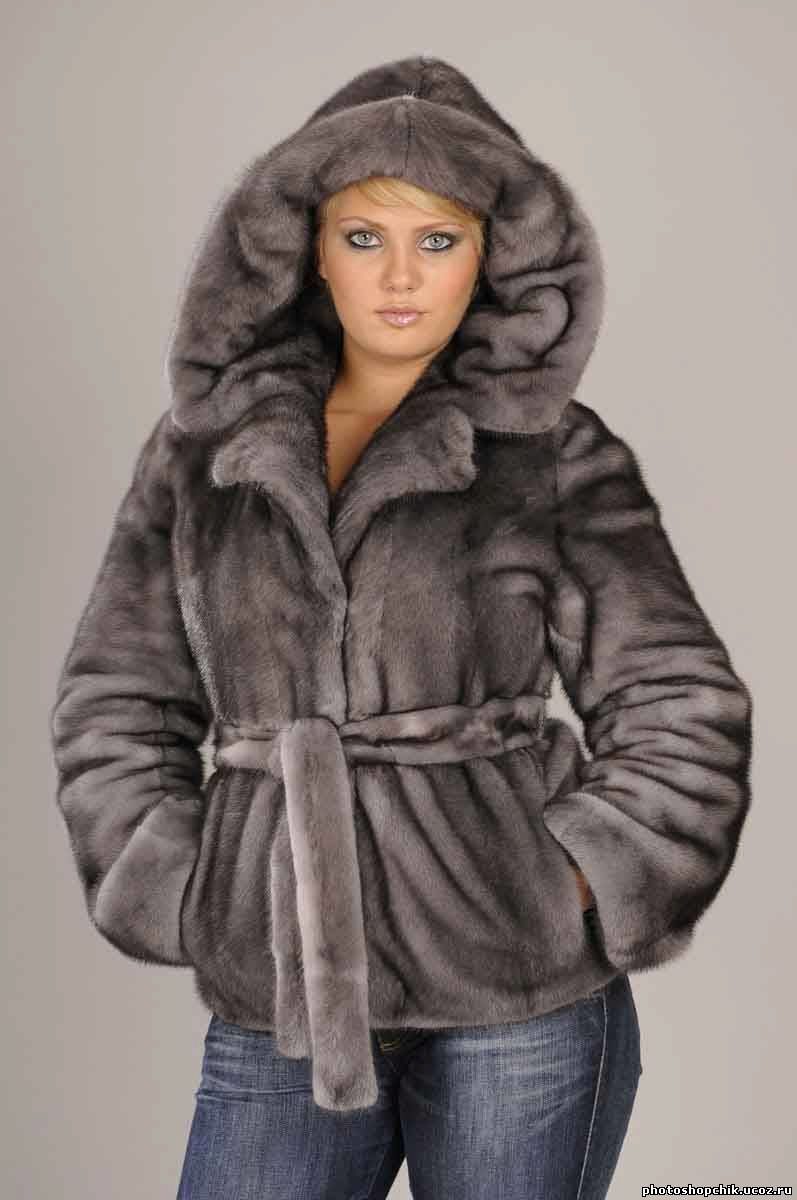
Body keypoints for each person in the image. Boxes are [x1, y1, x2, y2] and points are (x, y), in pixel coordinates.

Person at [49, 55, 753, 1199]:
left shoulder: (551, 452)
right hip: (279, 991)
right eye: (362, 236)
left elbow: (673, 695)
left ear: (491, 255)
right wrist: (185, 885)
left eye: (437, 239)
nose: (397, 277)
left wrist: (573, 878)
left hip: (515, 1001)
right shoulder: (200, 455)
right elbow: (116, 696)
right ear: (306, 248)